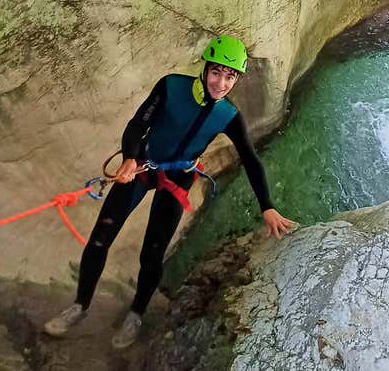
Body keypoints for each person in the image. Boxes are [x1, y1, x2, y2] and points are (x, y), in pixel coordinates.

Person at [42, 36, 297, 349]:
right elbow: (138, 124)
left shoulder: (228, 116)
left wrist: (267, 206)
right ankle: (79, 306)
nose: (221, 83)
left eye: (230, 76)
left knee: (152, 253)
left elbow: (251, 161)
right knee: (100, 238)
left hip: (177, 179)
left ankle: (136, 314)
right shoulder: (171, 86)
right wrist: (130, 157)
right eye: (217, 72)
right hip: (143, 167)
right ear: (205, 69)